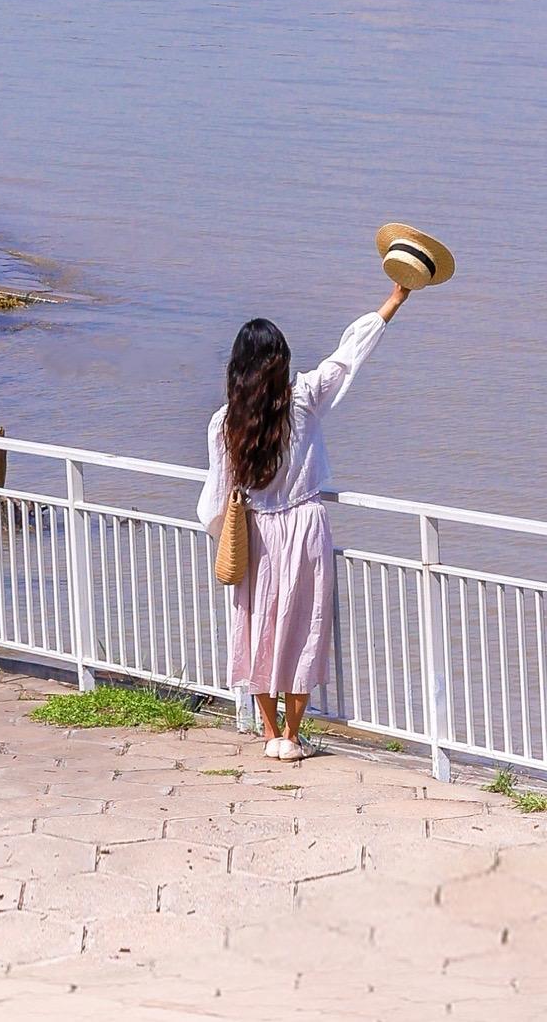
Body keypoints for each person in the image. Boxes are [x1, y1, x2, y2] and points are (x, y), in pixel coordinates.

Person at [196, 280, 413, 756]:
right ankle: (294, 736)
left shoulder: (224, 422)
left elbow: (213, 501)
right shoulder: (303, 400)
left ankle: (269, 733)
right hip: (306, 526)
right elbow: (349, 353)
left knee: (256, 626)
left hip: (256, 531)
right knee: (304, 626)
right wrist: (396, 298)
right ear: (281, 363)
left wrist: (224, 534)